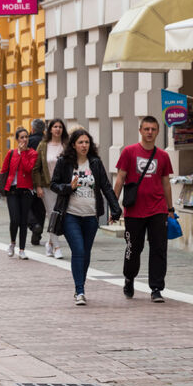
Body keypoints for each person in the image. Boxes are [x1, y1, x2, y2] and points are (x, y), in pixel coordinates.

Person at [50, 128, 121, 306]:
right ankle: (79, 290)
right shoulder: (64, 162)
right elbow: (53, 184)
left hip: (91, 216)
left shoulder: (95, 163)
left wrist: (115, 207)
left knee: (86, 253)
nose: (84, 145)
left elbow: (105, 186)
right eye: (81, 142)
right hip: (70, 215)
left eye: (87, 142)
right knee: (79, 251)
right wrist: (68, 187)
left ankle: (80, 286)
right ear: (73, 144)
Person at [113, 116, 174, 303]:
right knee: (134, 249)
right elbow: (120, 179)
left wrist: (170, 208)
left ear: (157, 132)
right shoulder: (129, 152)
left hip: (157, 210)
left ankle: (156, 288)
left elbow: (166, 184)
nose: (149, 132)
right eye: (146, 129)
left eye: (153, 129)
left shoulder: (163, 156)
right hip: (134, 211)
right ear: (140, 130)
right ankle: (129, 278)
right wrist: (114, 206)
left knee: (159, 249)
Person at [0, 127, 38, 259]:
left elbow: (29, 169)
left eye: (26, 137)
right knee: (14, 219)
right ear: (17, 139)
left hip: (26, 190)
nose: (25, 140)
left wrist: (22, 154)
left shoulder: (32, 153)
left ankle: (22, 249)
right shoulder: (11, 153)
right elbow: (4, 171)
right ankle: (12, 243)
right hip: (13, 191)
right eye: (22, 137)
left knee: (23, 221)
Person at [32, 118, 67, 259]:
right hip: (47, 187)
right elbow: (36, 167)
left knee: (60, 216)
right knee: (52, 214)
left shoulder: (66, 146)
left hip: (62, 187)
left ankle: (49, 243)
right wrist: (38, 186)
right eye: (55, 126)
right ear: (50, 129)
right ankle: (57, 247)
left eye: (60, 127)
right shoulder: (43, 145)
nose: (57, 129)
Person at [26, 119, 47, 246]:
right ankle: (37, 235)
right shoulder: (47, 142)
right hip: (44, 180)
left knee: (26, 206)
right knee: (40, 208)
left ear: (32, 129)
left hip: (29, 179)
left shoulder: (28, 141)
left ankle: (34, 225)